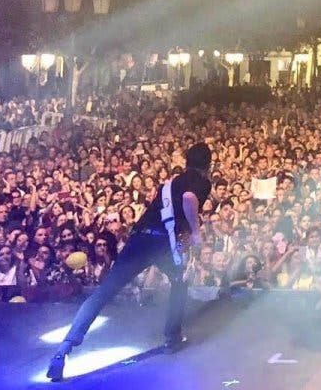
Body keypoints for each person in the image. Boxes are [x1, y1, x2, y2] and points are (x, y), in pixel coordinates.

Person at [47, 142, 213, 381]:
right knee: (179, 281)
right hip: (162, 244)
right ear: (207, 165)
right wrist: (196, 233)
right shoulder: (201, 181)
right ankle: (172, 338)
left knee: (105, 291)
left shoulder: (169, 184)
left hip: (139, 239)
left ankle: (65, 347)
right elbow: (189, 199)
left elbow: (169, 214)